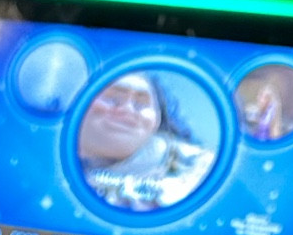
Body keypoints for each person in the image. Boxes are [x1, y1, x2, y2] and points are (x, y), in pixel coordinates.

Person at [76, 70, 216, 211]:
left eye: (140, 104)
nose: (128, 109)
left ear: (157, 119)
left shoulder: (205, 173)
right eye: (113, 99)